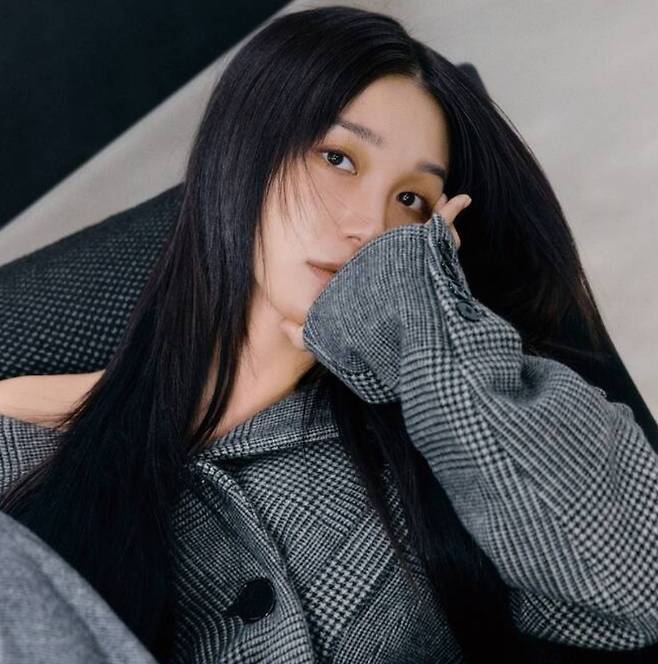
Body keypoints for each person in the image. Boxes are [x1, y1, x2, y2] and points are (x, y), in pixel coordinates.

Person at [1, 5, 657, 663]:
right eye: (339, 158)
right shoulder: (25, 432)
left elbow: (631, 589)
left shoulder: (445, 425)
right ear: (242, 157)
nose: (370, 224)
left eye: (411, 200)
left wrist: (429, 319)